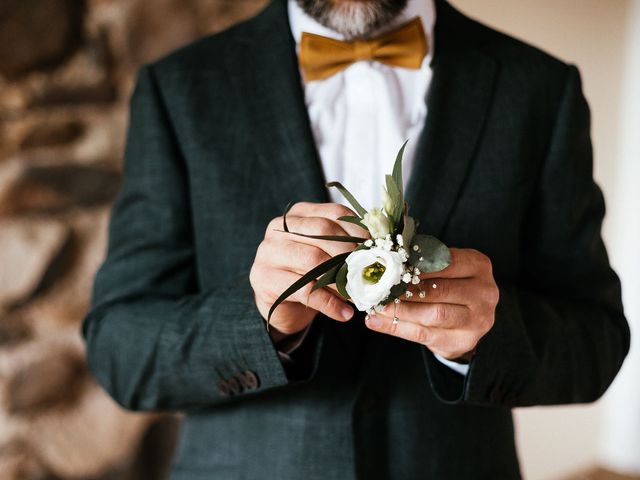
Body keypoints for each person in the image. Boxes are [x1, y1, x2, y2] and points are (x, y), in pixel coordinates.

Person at [82, 0, 630, 478]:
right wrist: (258, 323)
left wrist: (489, 334)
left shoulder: (538, 87)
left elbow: (597, 345)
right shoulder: (178, 87)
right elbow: (120, 351)